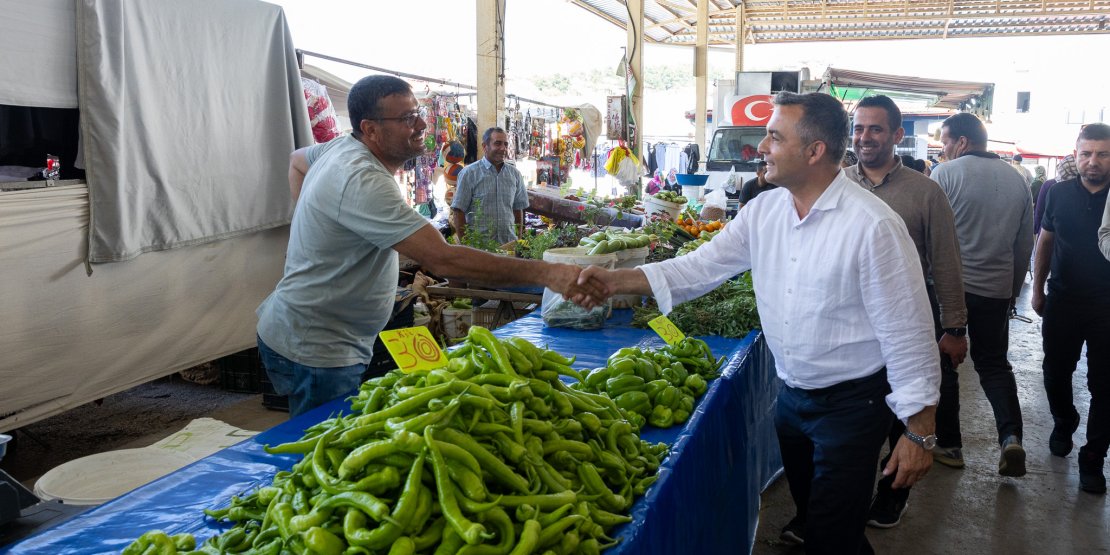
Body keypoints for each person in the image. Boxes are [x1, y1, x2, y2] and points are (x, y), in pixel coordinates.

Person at [576, 92, 939, 554]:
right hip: (791, 398)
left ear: (814, 151)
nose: (760, 148)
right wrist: (615, 281)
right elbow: (697, 268)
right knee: (821, 519)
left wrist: (919, 430)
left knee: (831, 533)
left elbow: (908, 333)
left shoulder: (873, 226)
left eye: (773, 136)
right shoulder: (765, 213)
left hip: (852, 407)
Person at [257, 75, 603, 417]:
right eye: (407, 118)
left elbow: (297, 161)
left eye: (418, 112)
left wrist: (317, 230)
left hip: (322, 334)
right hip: (318, 349)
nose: (422, 123)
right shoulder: (361, 178)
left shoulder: (338, 147)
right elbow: (443, 259)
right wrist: (547, 272)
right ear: (371, 129)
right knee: (322, 454)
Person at [844, 95, 967, 529]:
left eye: (875, 129)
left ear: (897, 135)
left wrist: (954, 327)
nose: (864, 137)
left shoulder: (925, 192)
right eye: (859, 128)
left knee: (907, 411)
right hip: (850, 321)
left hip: (908, 317)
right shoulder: (837, 184)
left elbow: (947, 263)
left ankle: (892, 496)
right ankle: (842, 500)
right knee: (858, 414)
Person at [931, 112, 1034, 476]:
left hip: (950, 291)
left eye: (944, 142)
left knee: (944, 365)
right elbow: (1025, 245)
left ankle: (950, 445)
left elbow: (933, 239)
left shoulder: (944, 174)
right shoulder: (1018, 179)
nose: (943, 150)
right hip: (995, 289)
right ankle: (1011, 438)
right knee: (993, 364)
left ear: (961, 142)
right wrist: (1011, 292)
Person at [1032, 123, 1110, 494]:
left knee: (1105, 386)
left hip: (1107, 305)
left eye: (1102, 153)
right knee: (1055, 372)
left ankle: (1093, 458)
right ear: (1075, 154)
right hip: (1062, 299)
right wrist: (1036, 288)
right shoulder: (1058, 193)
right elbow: (1045, 241)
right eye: (1086, 153)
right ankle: (1064, 420)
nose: (1092, 161)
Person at [451, 127, 529, 245]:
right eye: (497, 143)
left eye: (505, 144)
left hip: (508, 246)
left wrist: (518, 239)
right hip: (479, 248)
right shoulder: (469, 174)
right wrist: (466, 246)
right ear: (485, 146)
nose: (503, 148)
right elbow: (458, 211)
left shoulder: (515, 175)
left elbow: (518, 209)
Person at [1034, 155, 1077, 235]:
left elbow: (1039, 209)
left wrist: (1036, 228)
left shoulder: (1049, 184)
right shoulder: (1082, 187)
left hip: (1047, 231)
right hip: (1072, 234)